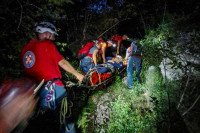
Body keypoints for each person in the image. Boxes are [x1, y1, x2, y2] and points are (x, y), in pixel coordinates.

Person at [21, 21, 84, 133]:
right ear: (46, 33)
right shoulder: (47, 44)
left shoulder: (25, 50)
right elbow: (62, 62)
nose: (52, 38)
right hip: (54, 89)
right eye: (52, 35)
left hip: (35, 94)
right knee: (64, 120)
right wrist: (77, 74)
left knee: (45, 122)